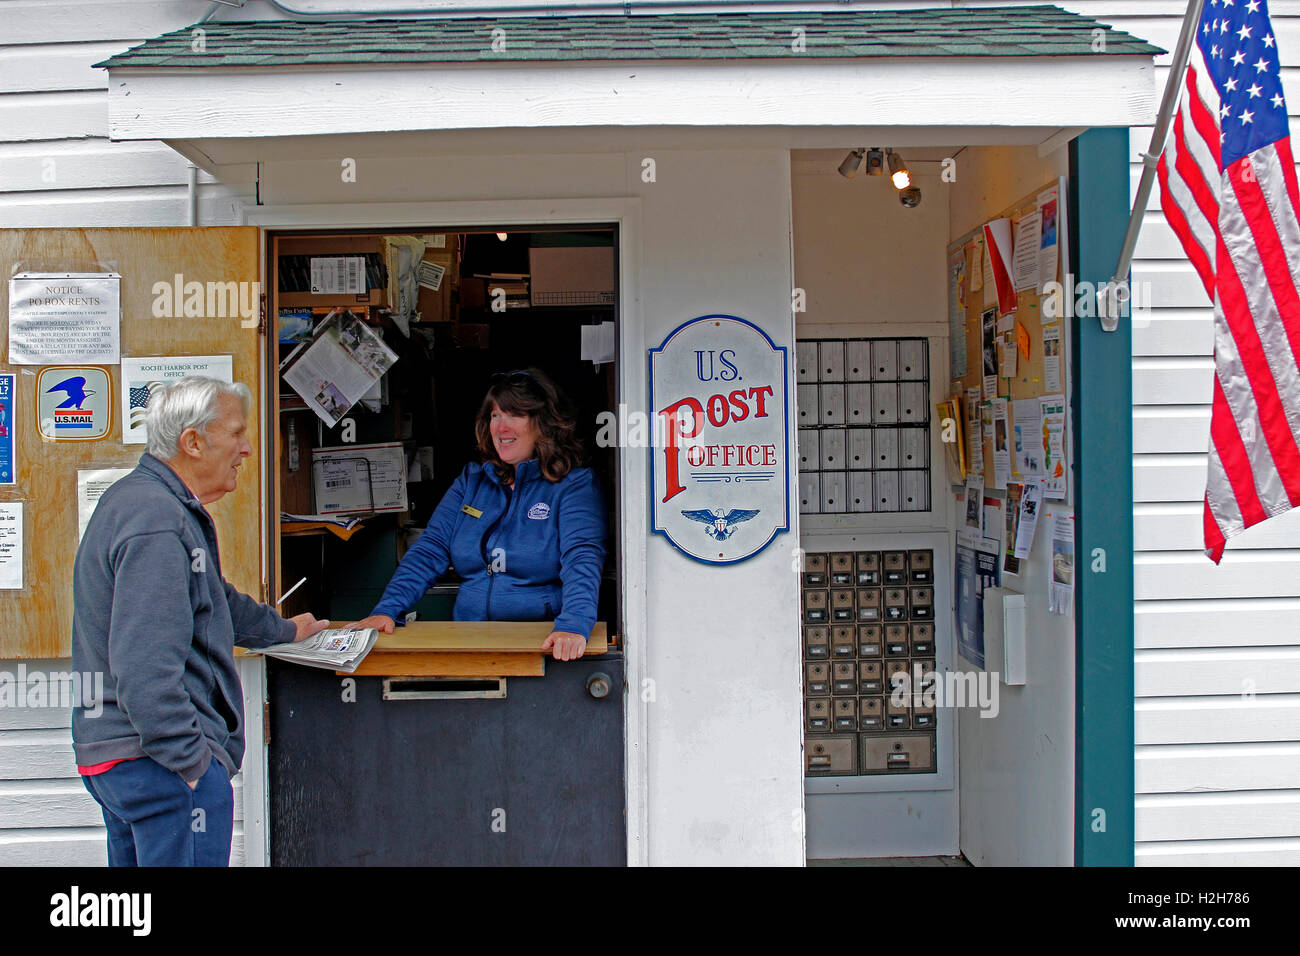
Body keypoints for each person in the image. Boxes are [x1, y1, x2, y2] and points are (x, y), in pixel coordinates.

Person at [71, 376, 329, 866]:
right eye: (235, 433)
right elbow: (144, 665)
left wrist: (287, 630)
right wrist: (192, 764)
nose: (247, 449)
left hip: (126, 761)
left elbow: (215, 600)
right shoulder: (157, 521)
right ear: (193, 442)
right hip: (158, 764)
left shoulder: (145, 501)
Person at [357, 368, 606, 661]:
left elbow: (582, 558)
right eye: (495, 415)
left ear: (543, 423)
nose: (500, 427)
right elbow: (430, 549)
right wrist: (387, 609)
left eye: (514, 415)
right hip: (469, 639)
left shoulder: (573, 485)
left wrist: (573, 625)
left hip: (541, 645)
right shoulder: (472, 481)